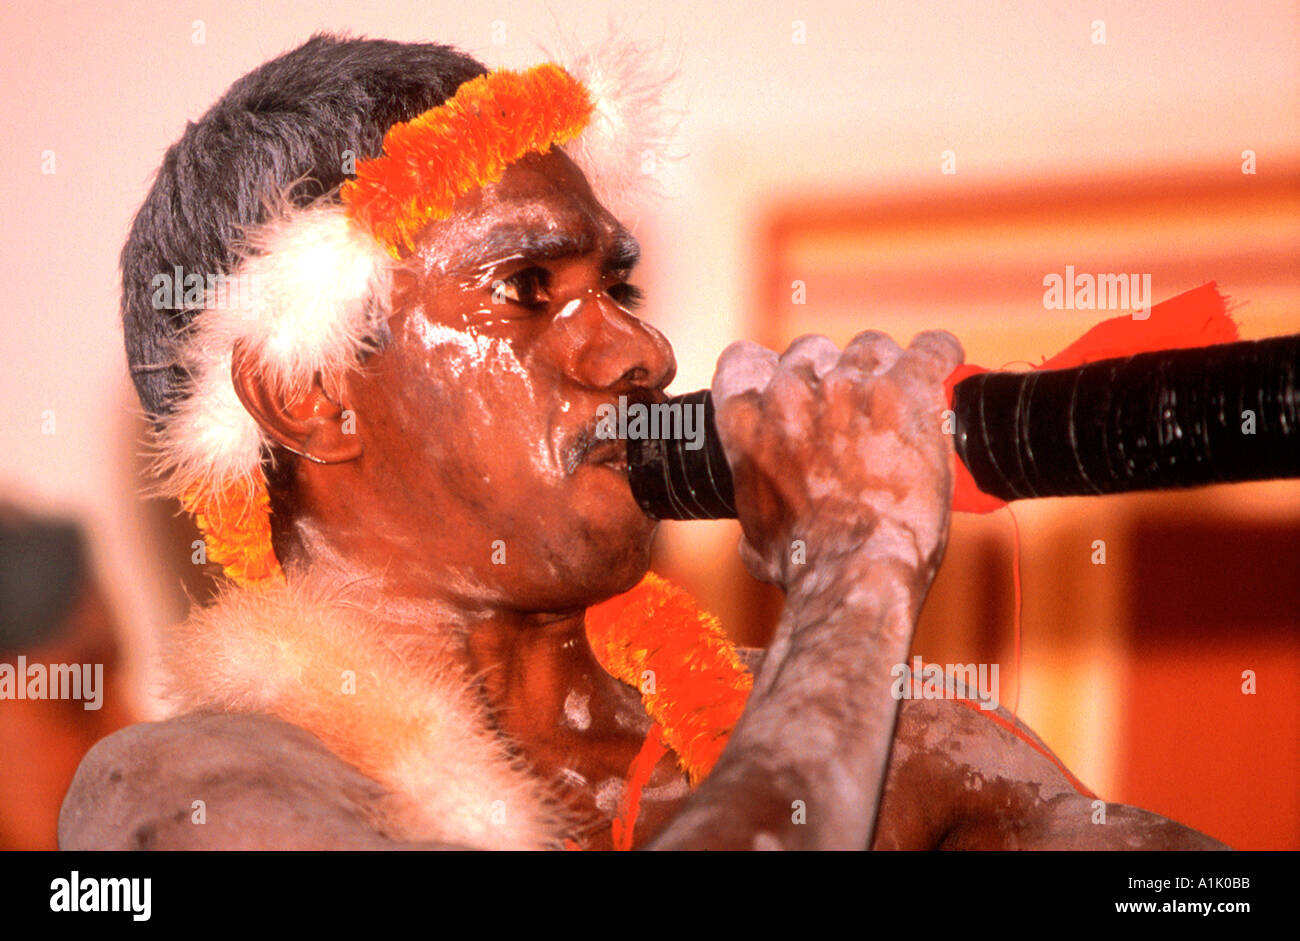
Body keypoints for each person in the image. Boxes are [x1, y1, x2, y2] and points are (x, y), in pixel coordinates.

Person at [59, 33, 1224, 850]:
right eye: (528, 286)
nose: (642, 350)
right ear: (311, 390)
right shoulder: (186, 794)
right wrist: (858, 575)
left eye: (616, 282)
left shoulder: (906, 745)